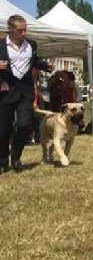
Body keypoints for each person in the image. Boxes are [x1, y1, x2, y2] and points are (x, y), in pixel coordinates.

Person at [0, 15, 53, 173]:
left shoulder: (32, 44)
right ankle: (3, 161)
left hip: (25, 90)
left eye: (25, 29)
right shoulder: (1, 45)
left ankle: (16, 156)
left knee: (25, 124)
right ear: (10, 29)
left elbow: (34, 61)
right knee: (3, 129)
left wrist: (46, 65)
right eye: (20, 30)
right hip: (6, 89)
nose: (23, 33)